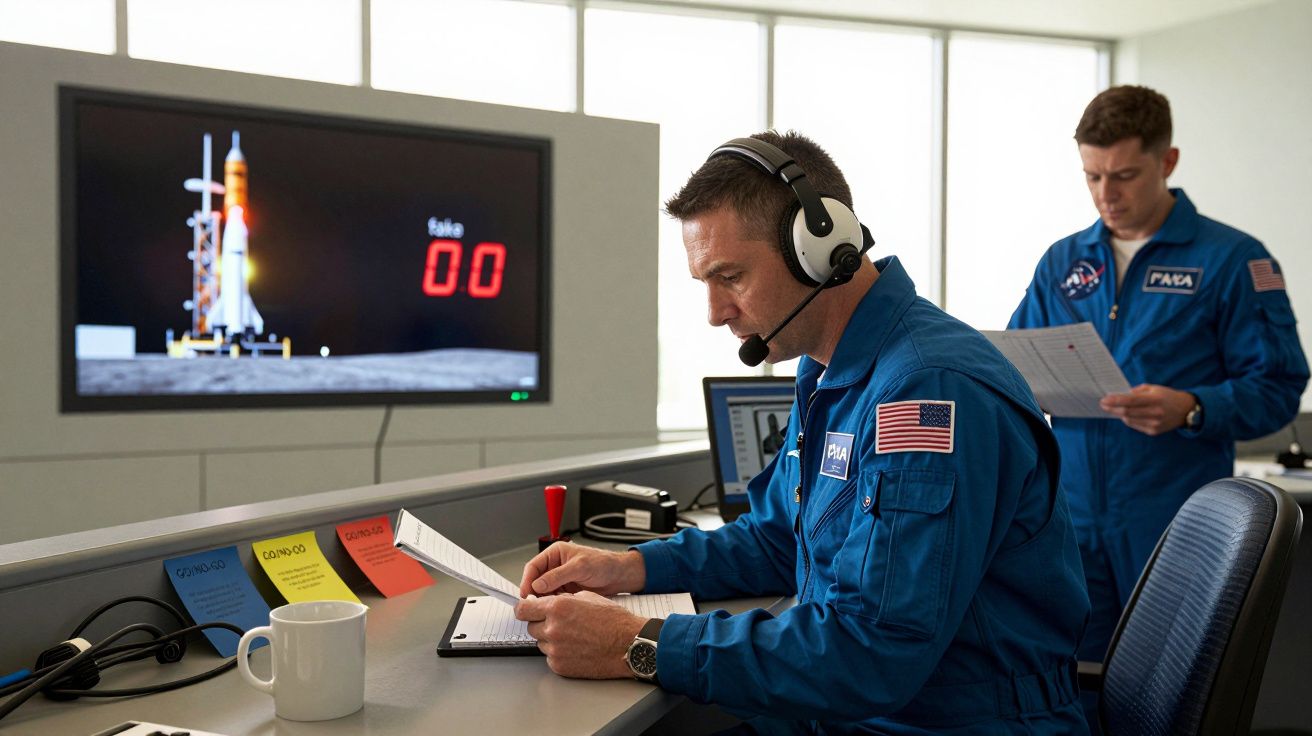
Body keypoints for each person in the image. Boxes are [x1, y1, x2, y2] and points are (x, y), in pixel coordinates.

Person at [515, 131, 1091, 734]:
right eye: (705, 283)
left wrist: (637, 642)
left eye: (730, 276)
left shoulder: (926, 392)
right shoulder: (829, 373)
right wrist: (629, 568)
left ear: (817, 250)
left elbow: (873, 651)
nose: (714, 312)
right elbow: (776, 540)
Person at [1009, 85, 1308, 724]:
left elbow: (1281, 386)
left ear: (1167, 161)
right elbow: (1015, 365)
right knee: (1065, 690)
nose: (1106, 195)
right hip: (1069, 522)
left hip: (1176, 525)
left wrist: (1195, 407)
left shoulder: (1234, 260)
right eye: (1092, 176)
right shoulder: (1062, 261)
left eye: (1124, 176)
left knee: (1165, 702)